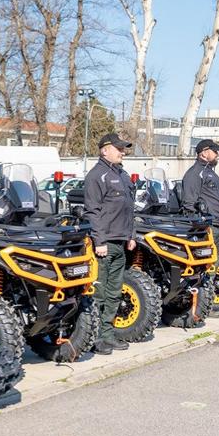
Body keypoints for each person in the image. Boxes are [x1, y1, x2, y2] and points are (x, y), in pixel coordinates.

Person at [83, 133, 136, 355]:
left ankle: (108, 333)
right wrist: (99, 240)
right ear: (105, 150)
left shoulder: (122, 175)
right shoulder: (97, 175)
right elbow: (92, 211)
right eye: (118, 148)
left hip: (120, 241)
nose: (122, 152)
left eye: (123, 149)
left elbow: (129, 209)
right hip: (104, 244)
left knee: (114, 292)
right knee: (100, 292)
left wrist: (131, 235)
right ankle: (95, 337)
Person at [179, 139, 219, 242]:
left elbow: (217, 201)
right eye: (214, 151)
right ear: (204, 153)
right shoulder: (195, 173)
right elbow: (189, 203)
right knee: (205, 258)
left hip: (216, 226)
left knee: (217, 258)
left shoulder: (210, 172)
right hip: (206, 228)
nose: (217, 154)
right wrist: (201, 225)